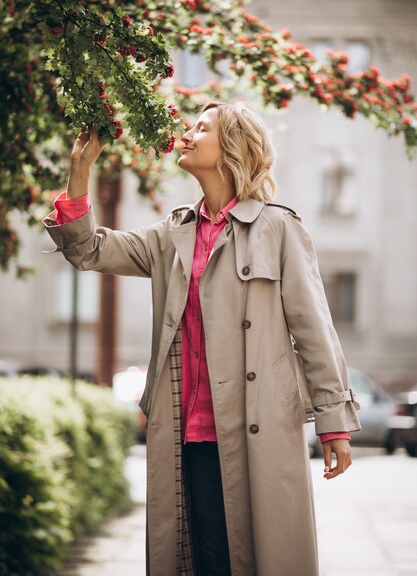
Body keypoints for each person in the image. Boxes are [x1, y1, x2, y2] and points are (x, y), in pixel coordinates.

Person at [43, 101, 361, 576]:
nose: (186, 135)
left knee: (260, 557)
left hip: (258, 429)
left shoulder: (279, 227)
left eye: (201, 128)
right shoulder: (173, 233)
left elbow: (315, 329)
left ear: (232, 146)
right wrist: (79, 170)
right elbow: (89, 250)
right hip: (181, 432)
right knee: (203, 559)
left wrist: (333, 422)